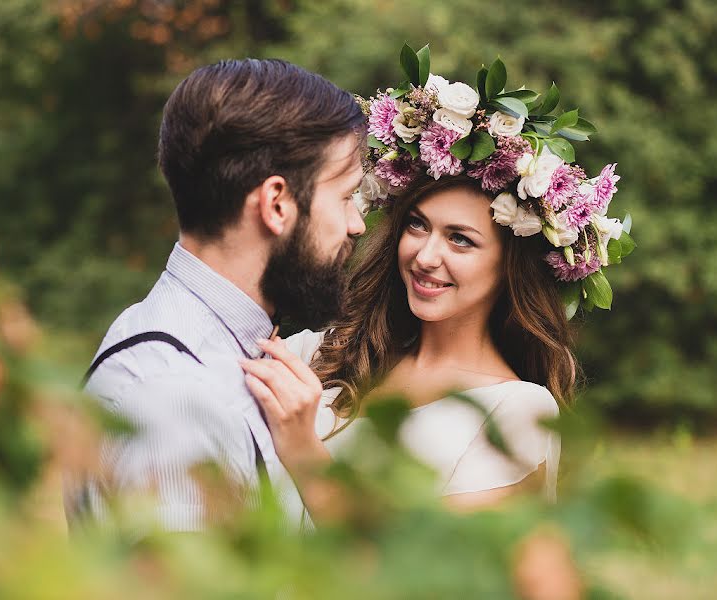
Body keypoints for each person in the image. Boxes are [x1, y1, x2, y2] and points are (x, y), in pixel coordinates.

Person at [239, 53, 629, 521]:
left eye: (460, 240)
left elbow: (422, 573)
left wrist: (304, 450)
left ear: (509, 269)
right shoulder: (326, 353)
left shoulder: (516, 412)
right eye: (418, 226)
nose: (425, 257)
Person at [64, 58, 367, 531]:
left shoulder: (216, 355)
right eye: (346, 196)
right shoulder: (177, 397)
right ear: (276, 204)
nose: (357, 224)